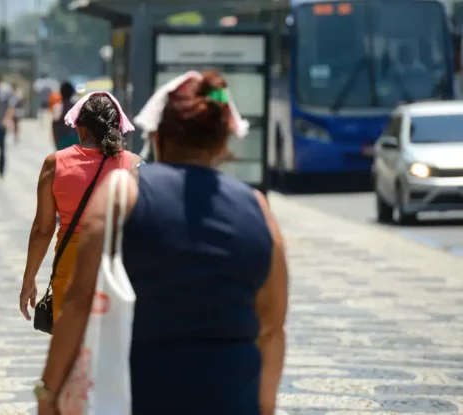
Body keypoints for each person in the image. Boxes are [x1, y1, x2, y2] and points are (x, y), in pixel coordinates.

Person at [35, 71, 287, 414]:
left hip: (141, 394)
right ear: (223, 142)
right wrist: (265, 406)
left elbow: (79, 303)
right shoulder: (258, 208)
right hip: (230, 397)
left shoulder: (122, 195)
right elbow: (271, 329)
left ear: (158, 134)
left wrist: (49, 393)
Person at [19, 91, 140, 325]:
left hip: (71, 266)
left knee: (71, 346)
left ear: (80, 127)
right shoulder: (134, 164)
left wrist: (29, 280)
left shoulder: (54, 164)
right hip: (118, 266)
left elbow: (42, 230)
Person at [51, 82, 80, 150]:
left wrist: (56, 142)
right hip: (76, 140)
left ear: (61, 93)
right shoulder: (77, 107)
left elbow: (55, 125)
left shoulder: (58, 108)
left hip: (62, 140)